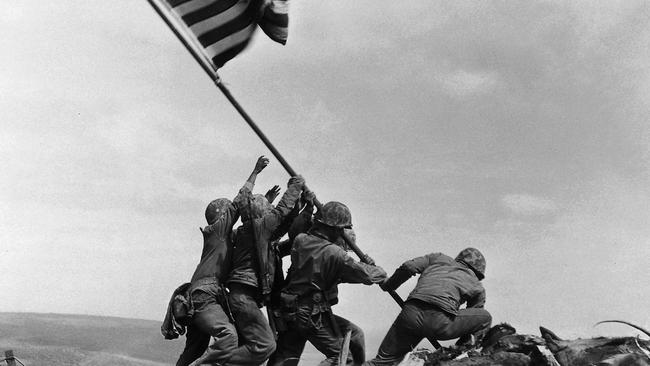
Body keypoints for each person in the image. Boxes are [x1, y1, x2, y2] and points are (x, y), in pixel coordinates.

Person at [176, 156, 270, 366]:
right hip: (204, 297)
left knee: (194, 349)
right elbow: (240, 201)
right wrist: (255, 172)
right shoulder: (218, 231)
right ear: (221, 216)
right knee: (229, 336)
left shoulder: (223, 238)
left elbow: (251, 227)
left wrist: (267, 203)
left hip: (203, 296)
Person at [268, 201, 387, 366]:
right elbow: (366, 275)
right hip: (311, 313)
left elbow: (336, 273)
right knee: (341, 358)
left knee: (285, 358)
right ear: (336, 229)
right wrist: (376, 269)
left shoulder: (301, 241)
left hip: (289, 310)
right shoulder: (335, 254)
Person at [224, 171, 306, 365]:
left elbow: (281, 228)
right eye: (267, 210)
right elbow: (281, 212)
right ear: (261, 214)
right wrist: (295, 186)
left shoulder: (249, 231)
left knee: (249, 348)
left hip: (243, 295)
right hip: (244, 297)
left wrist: (300, 210)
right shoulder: (259, 227)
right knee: (266, 345)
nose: (271, 214)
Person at [363, 248, 492, 366]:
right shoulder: (477, 286)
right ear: (478, 272)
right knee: (485, 318)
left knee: (381, 362)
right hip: (440, 323)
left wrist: (390, 285)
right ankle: (459, 356)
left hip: (410, 315)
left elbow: (409, 267)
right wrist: (459, 348)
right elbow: (473, 319)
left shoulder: (438, 258)